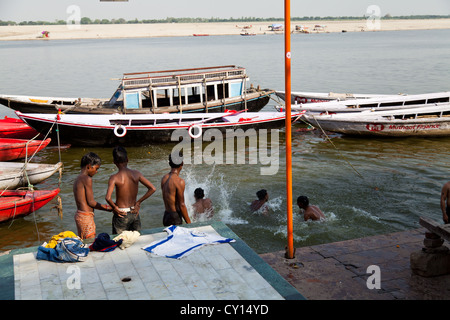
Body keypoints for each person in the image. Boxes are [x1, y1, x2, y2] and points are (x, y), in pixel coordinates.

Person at [105, 146, 156, 234]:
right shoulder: (136, 174)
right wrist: (138, 202)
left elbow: (108, 198)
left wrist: (114, 207)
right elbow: (152, 188)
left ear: (114, 162)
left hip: (121, 214)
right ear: (127, 159)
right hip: (134, 212)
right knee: (136, 239)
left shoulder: (114, 178)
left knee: (120, 241)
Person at [73, 152, 112, 240]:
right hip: (86, 217)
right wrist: (108, 208)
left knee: (83, 241)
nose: (96, 171)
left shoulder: (78, 178)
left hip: (79, 215)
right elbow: (91, 202)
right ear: (88, 166)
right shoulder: (87, 179)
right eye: (96, 168)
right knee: (90, 242)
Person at [161, 152, 191, 226]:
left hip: (166, 216)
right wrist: (190, 224)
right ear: (182, 163)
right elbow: (182, 205)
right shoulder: (179, 181)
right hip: (175, 218)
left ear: (170, 163)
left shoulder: (164, 178)